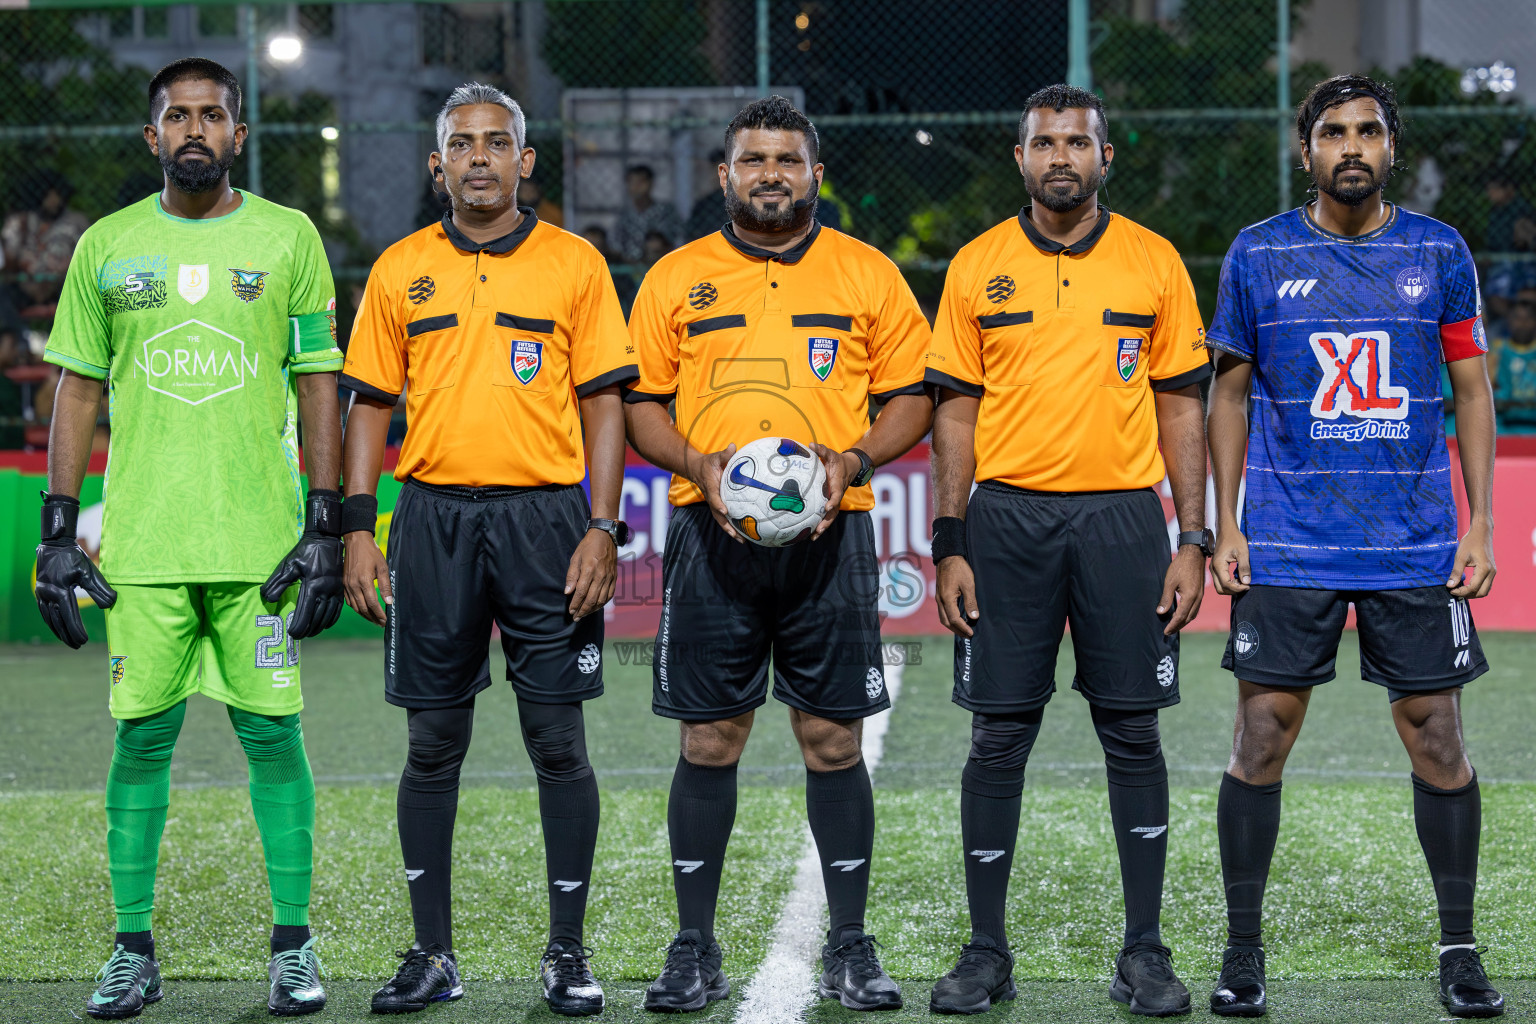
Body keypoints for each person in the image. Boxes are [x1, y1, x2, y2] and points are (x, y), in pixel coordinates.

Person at [35, 57, 346, 1019]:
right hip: (146, 552)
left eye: (215, 115)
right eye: (179, 116)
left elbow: (319, 384)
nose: (197, 130)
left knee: (273, 740)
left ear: (240, 135)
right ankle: (134, 950)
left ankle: (292, 948)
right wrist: (57, 531)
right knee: (141, 745)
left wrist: (325, 524)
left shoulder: (289, 238)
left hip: (259, 549)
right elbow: (78, 388)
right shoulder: (107, 246)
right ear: (153, 135)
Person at [624, 95, 933, 1013]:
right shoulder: (676, 279)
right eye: (753, 160)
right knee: (709, 737)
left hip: (832, 538)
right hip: (707, 536)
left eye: (787, 161)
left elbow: (911, 398)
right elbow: (640, 406)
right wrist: (699, 466)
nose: (770, 174)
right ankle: (692, 947)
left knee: (832, 739)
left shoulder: (867, 274)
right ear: (724, 175)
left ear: (814, 175)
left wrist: (853, 460)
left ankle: (848, 943)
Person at [1205, 74, 1502, 1019]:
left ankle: (1459, 950)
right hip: (1290, 539)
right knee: (1261, 737)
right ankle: (1242, 951)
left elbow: (1471, 390)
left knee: (1440, 740)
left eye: (1368, 130)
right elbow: (1229, 395)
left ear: (1389, 146)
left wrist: (1481, 521)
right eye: (1333, 131)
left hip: (1413, 540)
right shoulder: (1256, 255)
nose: (1351, 146)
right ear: (1306, 151)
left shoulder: (1439, 251)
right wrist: (1228, 521)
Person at [338, 82, 635, 1018]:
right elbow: (370, 407)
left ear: (525, 160)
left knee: (557, 741)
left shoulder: (575, 265)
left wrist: (601, 524)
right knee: (433, 744)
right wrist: (356, 527)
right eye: (460, 144)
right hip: (431, 520)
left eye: (495, 143)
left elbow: (604, 405)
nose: (478, 158)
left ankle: (567, 954)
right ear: (437, 165)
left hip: (547, 521)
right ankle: (432, 956)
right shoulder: (398, 271)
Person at [924, 83, 1211, 1017]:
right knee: (998, 735)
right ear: (1020, 158)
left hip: (1126, 521)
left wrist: (1194, 536)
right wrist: (950, 541)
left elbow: (1180, 406)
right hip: (1006, 525)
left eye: (1077, 143)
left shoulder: (1154, 262)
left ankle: (1145, 953)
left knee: (1132, 731)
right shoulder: (976, 266)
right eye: (1043, 142)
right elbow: (954, 416)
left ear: (1104, 157)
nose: (1060, 158)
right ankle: (985, 951)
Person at [3, 170, 91, 308]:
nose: (54, 200)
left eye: (57, 195)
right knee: (4, 293)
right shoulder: (20, 221)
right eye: (48, 195)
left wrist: (67, 267)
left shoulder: (77, 221)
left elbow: (88, 257)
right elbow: (7, 261)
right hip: (27, 285)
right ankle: (16, 330)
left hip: (62, 285)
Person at [614, 164, 681, 263]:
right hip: (630, 266)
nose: (636, 187)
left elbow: (673, 238)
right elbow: (616, 242)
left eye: (641, 182)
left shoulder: (664, 210)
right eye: (632, 182)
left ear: (650, 184)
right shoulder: (625, 214)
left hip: (659, 262)